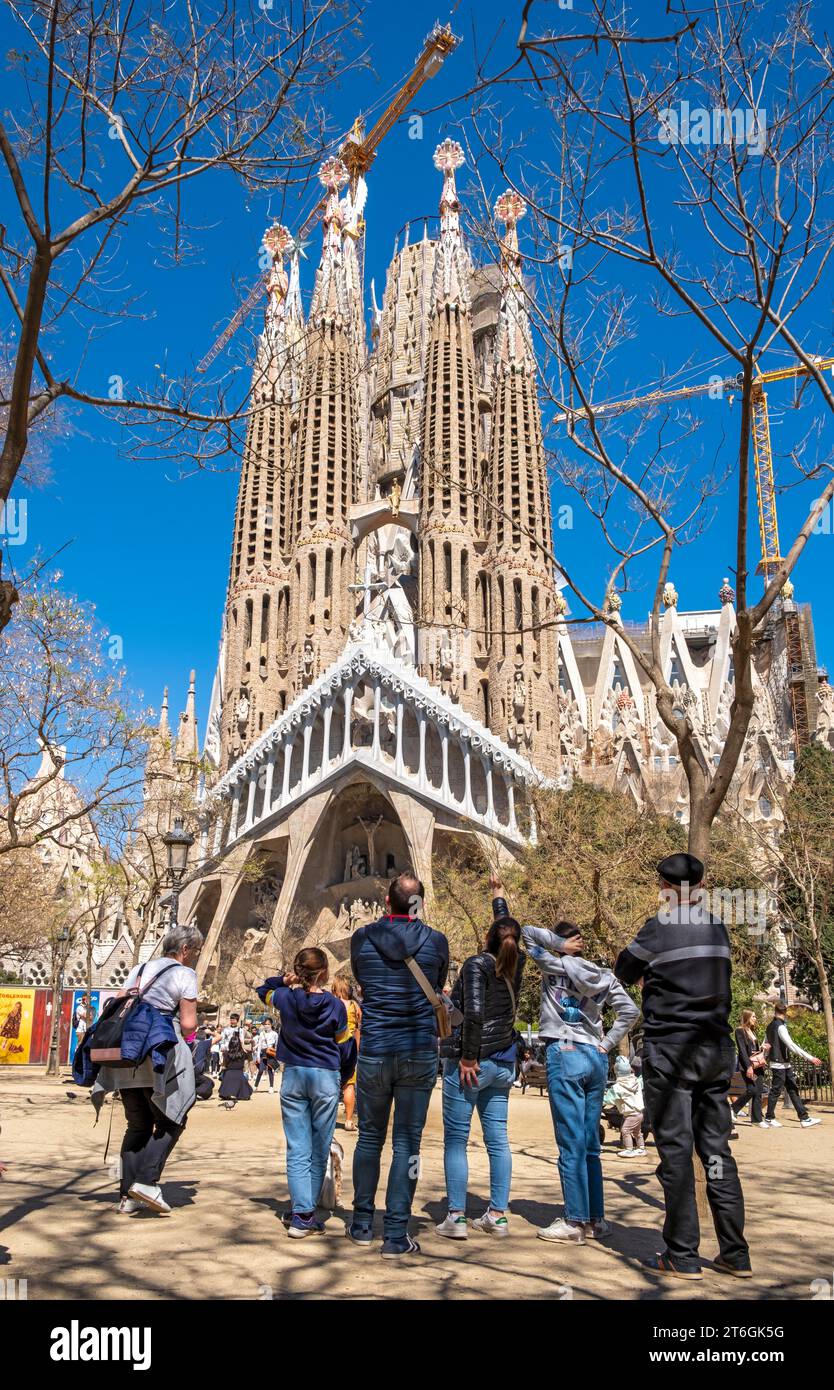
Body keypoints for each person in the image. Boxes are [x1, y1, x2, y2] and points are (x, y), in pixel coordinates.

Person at [615, 852, 751, 1279]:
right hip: (714, 1051)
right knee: (716, 1152)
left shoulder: (658, 928)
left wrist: (649, 977)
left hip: (672, 1052)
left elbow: (622, 969)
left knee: (675, 1152)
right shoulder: (718, 927)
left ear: (668, 889)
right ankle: (734, 1253)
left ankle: (682, 1255)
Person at [519, 892, 639, 1245]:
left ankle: (574, 1220)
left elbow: (526, 932)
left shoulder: (552, 965)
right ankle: (596, 1218)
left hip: (564, 1052)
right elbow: (629, 1012)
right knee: (590, 1143)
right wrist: (605, 1043)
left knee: (569, 1142)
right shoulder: (605, 976)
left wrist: (558, 944)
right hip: (594, 1056)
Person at [347, 870, 449, 1258]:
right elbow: (437, 986)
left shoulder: (362, 938)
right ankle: (394, 1233)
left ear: (386, 903)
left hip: (375, 1049)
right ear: (419, 905)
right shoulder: (435, 941)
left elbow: (362, 980)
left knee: (369, 1138)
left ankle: (360, 1223)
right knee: (408, 1143)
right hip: (419, 1050)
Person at [435, 884, 524, 1241]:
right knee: (498, 1140)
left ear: (485, 939)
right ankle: (497, 1216)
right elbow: (507, 927)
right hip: (503, 1062)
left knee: (456, 1139)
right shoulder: (515, 964)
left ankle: (456, 1216)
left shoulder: (475, 965)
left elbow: (472, 1013)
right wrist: (498, 898)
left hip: (472, 1062)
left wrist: (468, 1056)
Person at [103, 923, 203, 1216]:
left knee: (137, 1125)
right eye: (194, 951)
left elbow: (118, 1001)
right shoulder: (184, 974)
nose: (194, 956)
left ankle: (127, 1196)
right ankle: (146, 1181)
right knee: (172, 1119)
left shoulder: (140, 968)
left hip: (126, 1053)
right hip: (157, 1052)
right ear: (184, 950)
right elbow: (188, 1024)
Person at [256, 948, 352, 1238]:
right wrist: (344, 1078)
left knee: (297, 1147)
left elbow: (264, 989)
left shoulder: (285, 998)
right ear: (324, 972)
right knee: (319, 1146)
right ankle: (305, 1212)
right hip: (324, 1077)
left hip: (295, 1076)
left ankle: (302, 1212)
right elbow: (346, 1047)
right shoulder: (336, 1006)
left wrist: (284, 981)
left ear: (298, 971)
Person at [763, 1003, 822, 1128]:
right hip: (780, 1064)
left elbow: (766, 1045)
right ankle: (769, 1118)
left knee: (792, 1090)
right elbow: (791, 1045)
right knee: (776, 1090)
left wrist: (764, 1059)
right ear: (785, 1013)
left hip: (781, 1064)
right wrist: (810, 1057)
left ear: (775, 1011)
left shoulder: (769, 1027)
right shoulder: (781, 1027)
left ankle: (804, 1118)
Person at [331, 978, 362, 1130]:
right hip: (350, 1048)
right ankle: (349, 1121)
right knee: (349, 1083)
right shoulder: (354, 1005)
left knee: (330, 1083)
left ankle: (328, 1119)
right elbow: (357, 1030)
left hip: (333, 1047)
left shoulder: (331, 1003)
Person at [732, 1009, 767, 1127]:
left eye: (755, 1017)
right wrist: (748, 1067)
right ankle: (733, 1109)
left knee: (758, 1091)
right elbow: (742, 1050)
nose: (755, 1019)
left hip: (758, 1065)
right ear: (747, 1017)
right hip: (748, 1065)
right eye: (753, 1017)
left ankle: (757, 1120)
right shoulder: (740, 1031)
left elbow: (754, 1050)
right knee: (751, 1089)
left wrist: (762, 1048)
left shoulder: (752, 1031)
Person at [605, 1055, 646, 1157]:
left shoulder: (617, 1087)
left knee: (625, 1130)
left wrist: (600, 1099)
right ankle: (641, 1148)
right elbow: (642, 1079)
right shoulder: (636, 1081)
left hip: (631, 1114)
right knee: (637, 1132)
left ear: (617, 1072)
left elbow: (609, 1099)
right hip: (639, 1113)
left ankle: (629, 1149)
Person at [218, 1016, 253, 1106]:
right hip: (227, 1049)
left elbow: (241, 1040)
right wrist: (223, 1048)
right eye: (231, 1019)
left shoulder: (241, 1030)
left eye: (234, 1019)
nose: (232, 1021)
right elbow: (222, 1040)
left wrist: (242, 1049)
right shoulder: (225, 1030)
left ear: (237, 1021)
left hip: (238, 1049)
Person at [254, 1017, 280, 1093]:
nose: (266, 1025)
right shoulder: (262, 1033)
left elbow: (277, 1045)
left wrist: (277, 1055)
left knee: (269, 1070)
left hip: (271, 1053)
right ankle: (255, 1086)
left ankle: (271, 1087)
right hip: (263, 1053)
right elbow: (259, 1045)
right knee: (260, 1070)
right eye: (265, 1024)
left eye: (268, 1024)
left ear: (271, 1025)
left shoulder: (275, 1034)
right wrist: (258, 1056)